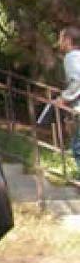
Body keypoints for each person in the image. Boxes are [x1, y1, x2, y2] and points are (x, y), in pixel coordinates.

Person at [56, 26, 80, 177]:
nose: (59, 42)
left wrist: (64, 98)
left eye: (61, 38)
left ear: (68, 40)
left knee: (78, 148)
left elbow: (77, 81)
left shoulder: (71, 57)